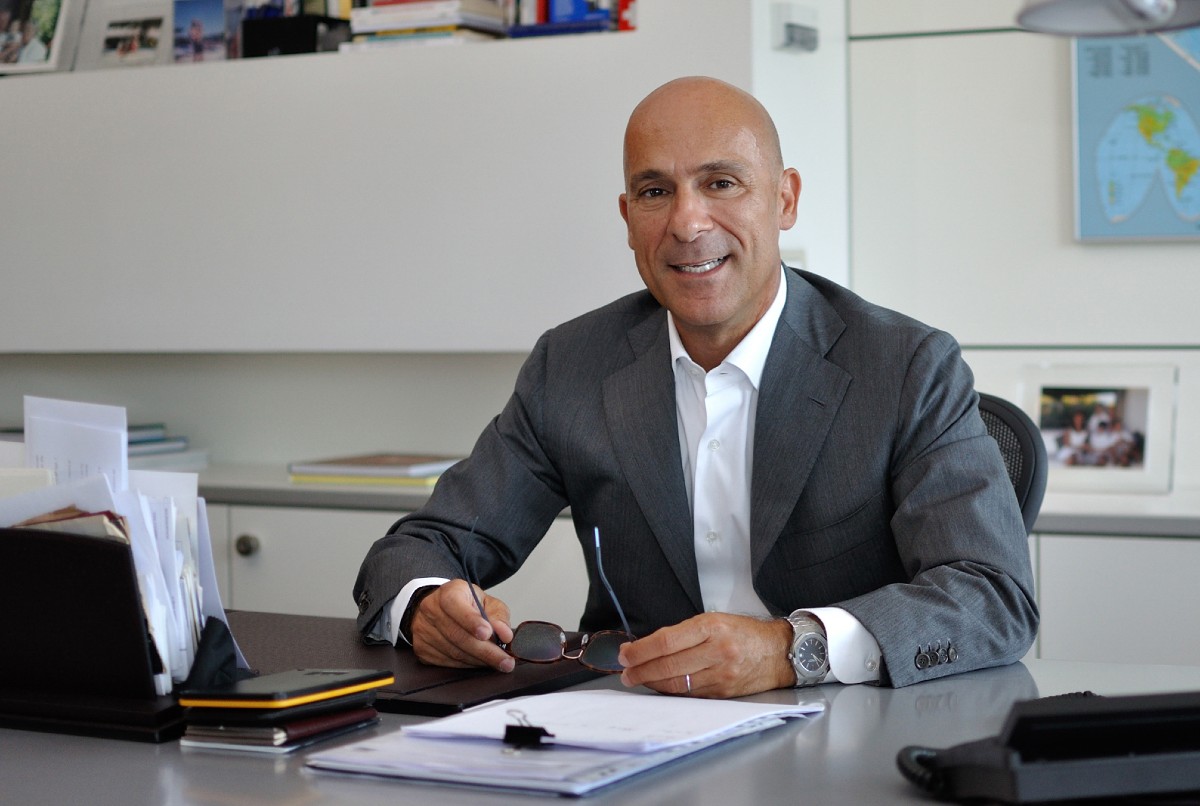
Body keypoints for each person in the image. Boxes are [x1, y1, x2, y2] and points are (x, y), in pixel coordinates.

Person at [354, 76, 1038, 697]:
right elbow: (424, 544)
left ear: (785, 199)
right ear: (627, 217)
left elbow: (993, 597)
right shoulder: (572, 365)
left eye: (721, 183)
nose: (687, 223)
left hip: (846, 727)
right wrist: (423, 605)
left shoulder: (905, 365)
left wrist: (789, 650)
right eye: (656, 192)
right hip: (632, 731)